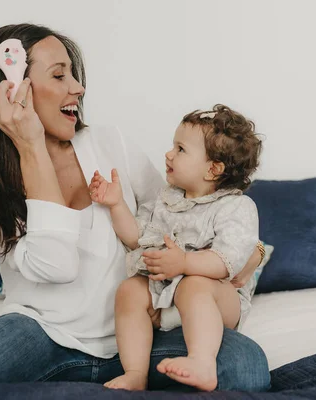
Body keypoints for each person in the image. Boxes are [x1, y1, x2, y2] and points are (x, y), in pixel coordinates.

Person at [0, 23, 270, 394]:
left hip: (141, 334)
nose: (77, 87)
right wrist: (32, 148)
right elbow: (58, 266)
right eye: (59, 75)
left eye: (74, 74)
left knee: (246, 367)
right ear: (13, 90)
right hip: (43, 334)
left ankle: (133, 371)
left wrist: (251, 253)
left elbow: (181, 217)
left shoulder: (111, 143)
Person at [89, 105, 263, 391]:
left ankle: (202, 362)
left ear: (213, 169)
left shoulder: (237, 207)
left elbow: (225, 262)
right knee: (130, 290)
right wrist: (116, 204)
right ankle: (135, 373)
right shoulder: (165, 199)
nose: (169, 154)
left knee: (195, 286)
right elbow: (136, 238)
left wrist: (183, 264)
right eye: (173, 145)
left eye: (181, 149)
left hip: (219, 300)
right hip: (165, 294)